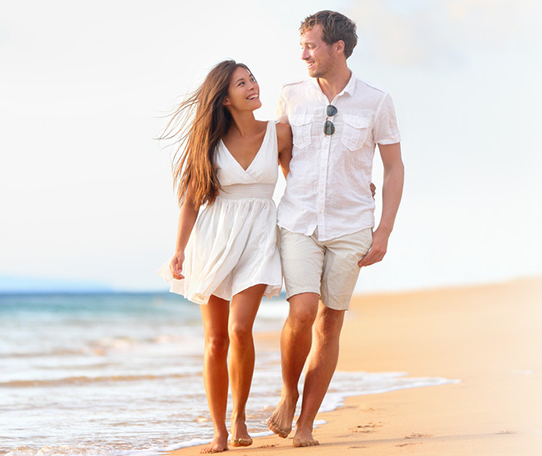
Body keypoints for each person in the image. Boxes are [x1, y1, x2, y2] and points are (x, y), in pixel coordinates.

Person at [264, 10, 405, 448]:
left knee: (329, 325)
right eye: (302, 45)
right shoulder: (291, 95)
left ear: (337, 47)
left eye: (311, 45)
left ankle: (306, 423)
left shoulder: (376, 101)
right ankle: (289, 394)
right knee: (302, 311)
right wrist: (300, 183)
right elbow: (281, 152)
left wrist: (383, 231)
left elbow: (394, 167)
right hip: (299, 220)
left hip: (352, 226)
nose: (303, 53)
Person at [158, 60, 289, 453]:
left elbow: (303, 178)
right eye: (241, 83)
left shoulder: (279, 133)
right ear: (225, 99)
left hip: (260, 237)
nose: (252, 87)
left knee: (238, 330)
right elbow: (191, 202)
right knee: (215, 340)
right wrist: (179, 249)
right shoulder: (209, 144)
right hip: (214, 239)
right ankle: (218, 430)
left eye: (252, 79)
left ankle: (239, 416)